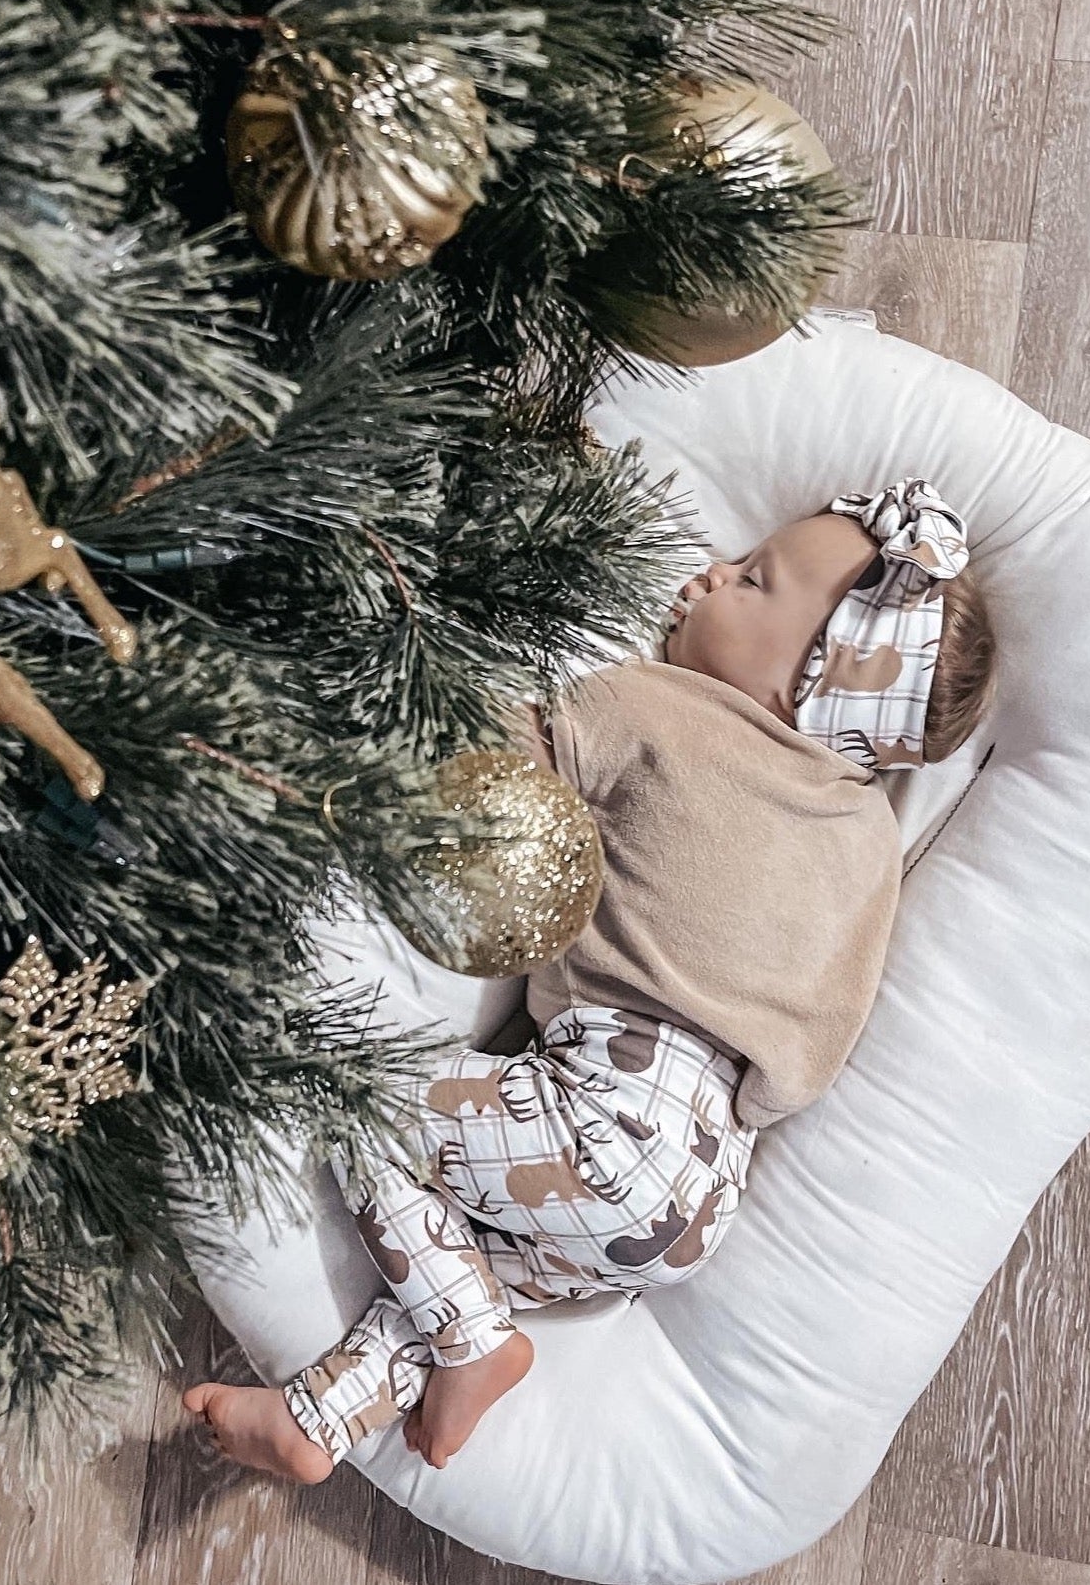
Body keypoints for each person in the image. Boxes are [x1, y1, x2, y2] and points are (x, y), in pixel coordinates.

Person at [183, 476, 999, 1481]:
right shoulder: (866, 834)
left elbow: (505, 750)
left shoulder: (662, 708)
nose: (709, 573)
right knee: (460, 1263)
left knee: (353, 1088)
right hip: (702, 1188)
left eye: (750, 580)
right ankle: (321, 1416)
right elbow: (827, 1021)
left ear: (806, 686)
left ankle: (473, 1346)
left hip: (605, 1120)